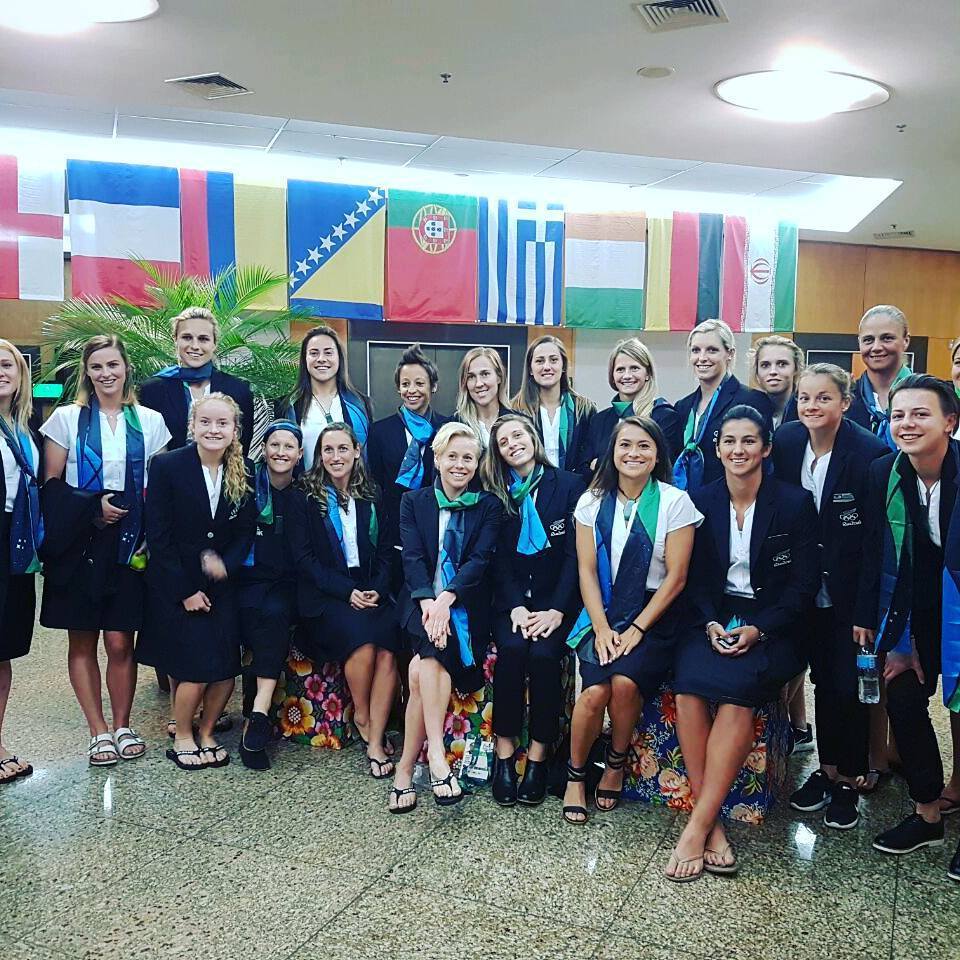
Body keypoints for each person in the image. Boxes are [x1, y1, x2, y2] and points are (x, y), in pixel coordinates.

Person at [668, 405, 817, 881]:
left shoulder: (793, 503)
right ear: (717, 449)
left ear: (766, 448)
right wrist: (711, 622)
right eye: (729, 441)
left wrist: (759, 629)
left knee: (737, 695)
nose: (738, 450)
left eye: (749, 441)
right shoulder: (699, 500)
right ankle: (710, 825)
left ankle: (696, 827)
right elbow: (691, 578)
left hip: (773, 624)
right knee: (688, 689)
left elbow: (802, 586)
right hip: (710, 618)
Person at [562, 416, 700, 826]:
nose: (633, 453)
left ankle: (616, 762)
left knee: (623, 684)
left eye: (644, 446)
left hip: (654, 614)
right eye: (625, 445)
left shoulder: (675, 502)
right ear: (612, 452)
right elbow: (586, 570)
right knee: (593, 693)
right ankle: (575, 775)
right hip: (602, 609)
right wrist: (602, 628)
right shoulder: (590, 502)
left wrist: (637, 628)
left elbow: (677, 578)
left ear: (657, 454)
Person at [40, 335, 170, 766]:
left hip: (131, 542)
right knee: (83, 638)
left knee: (119, 640)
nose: (106, 373)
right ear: (87, 372)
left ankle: (123, 724)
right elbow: (51, 484)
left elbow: (160, 486)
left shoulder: (150, 421)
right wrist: (92, 507)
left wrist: (154, 535)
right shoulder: (65, 419)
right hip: (81, 541)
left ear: (126, 367)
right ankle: (98, 731)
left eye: (113, 364)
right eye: (97, 366)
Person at [853, 375, 960, 880]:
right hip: (914, 607)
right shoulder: (884, 473)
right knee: (901, 692)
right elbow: (875, 554)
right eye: (899, 415)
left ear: (950, 422)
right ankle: (927, 812)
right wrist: (885, 630)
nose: (907, 424)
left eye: (921, 414)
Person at [773, 364, 888, 828]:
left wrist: (866, 610)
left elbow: (877, 542)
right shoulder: (786, 442)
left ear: (845, 402)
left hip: (850, 593)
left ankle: (850, 780)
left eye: (824, 398)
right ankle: (827, 769)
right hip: (801, 587)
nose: (812, 406)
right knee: (821, 678)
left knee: (847, 683)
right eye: (804, 398)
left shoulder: (870, 453)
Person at [137, 394, 256, 771]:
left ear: (235, 429)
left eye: (223, 423)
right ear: (192, 426)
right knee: (193, 667)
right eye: (205, 422)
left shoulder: (245, 469)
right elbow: (159, 536)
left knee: (225, 668)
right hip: (179, 584)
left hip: (223, 586)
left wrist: (227, 565)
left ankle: (207, 732)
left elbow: (246, 531)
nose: (213, 429)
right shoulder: (167, 466)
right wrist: (185, 591)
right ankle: (184, 736)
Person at [388, 423, 502, 812]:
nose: (459, 464)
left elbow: (479, 561)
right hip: (419, 602)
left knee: (420, 670)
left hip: (464, 604)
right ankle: (437, 756)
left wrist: (446, 601)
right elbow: (412, 558)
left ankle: (405, 771)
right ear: (436, 459)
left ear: (477, 464)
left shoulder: (488, 505)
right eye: (451, 456)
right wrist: (428, 603)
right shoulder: (413, 501)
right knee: (430, 652)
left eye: (468, 457)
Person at [481, 414, 585, 806]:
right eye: (504, 442)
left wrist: (557, 609)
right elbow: (496, 559)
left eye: (518, 435)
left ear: (534, 438)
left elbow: (576, 556)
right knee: (511, 651)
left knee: (543, 656)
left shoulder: (569, 485)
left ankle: (539, 757)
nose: (513, 444)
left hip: (555, 604)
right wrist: (515, 606)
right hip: (511, 605)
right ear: (499, 453)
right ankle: (505, 754)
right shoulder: (497, 493)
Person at [288, 422, 399, 779]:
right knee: (363, 642)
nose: (336, 456)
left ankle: (374, 734)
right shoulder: (304, 496)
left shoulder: (372, 493)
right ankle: (363, 717)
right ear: (319, 455)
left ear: (356, 451)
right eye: (328, 450)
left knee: (388, 647)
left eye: (342, 448)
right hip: (325, 595)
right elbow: (304, 560)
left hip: (368, 589)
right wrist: (345, 591)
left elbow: (386, 551)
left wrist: (377, 588)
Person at [237, 420, 303, 770]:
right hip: (245, 579)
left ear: (300, 454)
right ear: (263, 449)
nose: (280, 452)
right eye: (274, 445)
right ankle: (253, 715)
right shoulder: (245, 489)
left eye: (288, 446)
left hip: (286, 583)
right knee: (249, 613)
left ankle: (258, 713)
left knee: (275, 614)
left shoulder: (305, 495)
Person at [368, 344, 448, 592]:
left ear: (433, 386)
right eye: (405, 384)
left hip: (439, 527)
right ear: (398, 388)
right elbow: (376, 484)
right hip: (396, 530)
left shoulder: (447, 428)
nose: (412, 390)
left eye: (419, 383)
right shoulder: (380, 431)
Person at [0, 341, 42, 784]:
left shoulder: (23, 429)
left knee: (4, 648)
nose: (1, 371)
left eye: (7, 364)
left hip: (16, 544)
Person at [673, 319, 773, 494]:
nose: (702, 358)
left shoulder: (752, 400)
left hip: (733, 499)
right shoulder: (683, 407)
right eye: (696, 350)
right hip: (687, 500)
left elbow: (764, 462)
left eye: (712, 350)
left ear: (730, 353)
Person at [140, 306, 255, 454]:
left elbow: (241, 448)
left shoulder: (238, 390)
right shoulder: (152, 391)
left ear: (214, 344)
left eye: (203, 339)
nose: (195, 346)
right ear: (175, 340)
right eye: (187, 337)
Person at [583, 338, 681, 474]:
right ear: (612, 376)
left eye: (634, 368)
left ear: (647, 374)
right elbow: (584, 468)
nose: (627, 375)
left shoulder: (665, 417)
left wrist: (599, 463)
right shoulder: (599, 420)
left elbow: (661, 467)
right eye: (620, 369)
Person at [288, 324, 372, 470]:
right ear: (305, 359)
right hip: (303, 483)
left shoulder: (360, 404)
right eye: (314, 353)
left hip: (350, 484)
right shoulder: (289, 406)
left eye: (328, 353)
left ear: (339, 358)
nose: (321, 359)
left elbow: (368, 456)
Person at [512, 334, 595, 472]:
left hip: (575, 484)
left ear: (563, 366)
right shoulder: (515, 411)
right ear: (530, 369)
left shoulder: (584, 409)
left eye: (553, 360)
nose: (547, 366)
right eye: (539, 361)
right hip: (530, 485)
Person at [847, 305, 911, 450]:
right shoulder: (846, 399)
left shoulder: (931, 396)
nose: (876, 347)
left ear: (906, 341)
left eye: (887, 338)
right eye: (868, 340)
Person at [455, 347, 514, 449]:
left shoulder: (519, 423)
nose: (478, 383)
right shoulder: (453, 426)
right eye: (471, 377)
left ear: (499, 377)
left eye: (485, 374)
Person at [752, 335, 803, 430]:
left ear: (796, 368)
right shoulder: (747, 408)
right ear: (757, 371)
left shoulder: (807, 410)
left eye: (782, 364)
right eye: (765, 365)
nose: (773, 371)